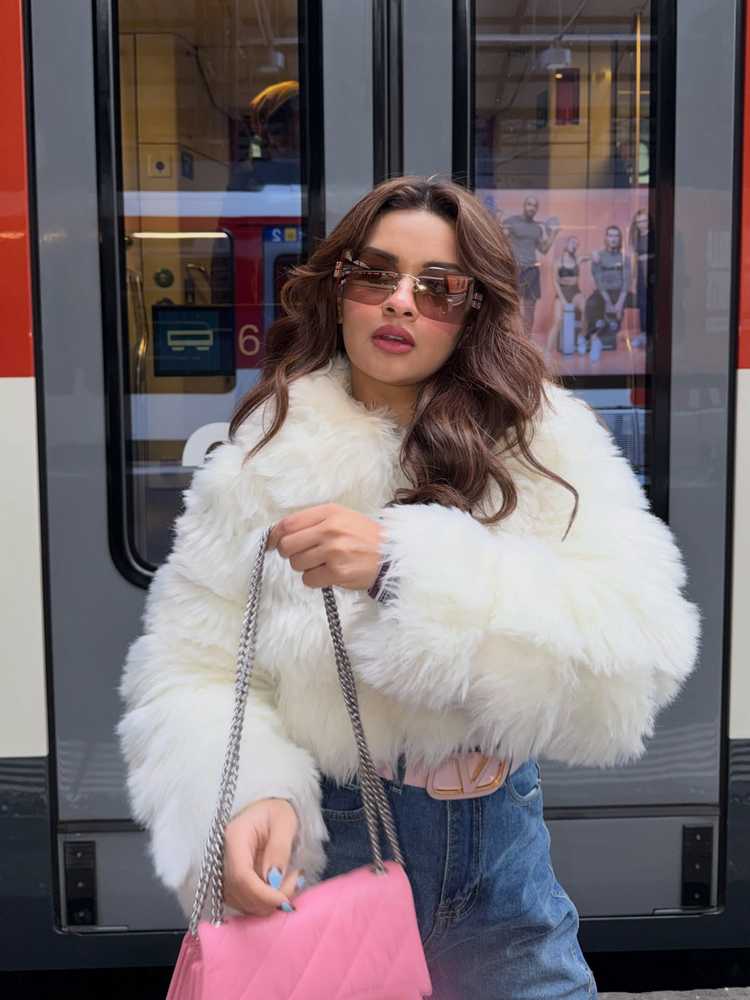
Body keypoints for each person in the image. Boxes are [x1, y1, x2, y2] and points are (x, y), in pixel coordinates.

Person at [118, 176, 700, 998]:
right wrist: (249, 794)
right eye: (374, 274)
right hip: (338, 846)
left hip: (503, 859)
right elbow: (192, 667)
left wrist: (405, 568)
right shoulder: (265, 459)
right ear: (338, 289)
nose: (399, 302)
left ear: (474, 310)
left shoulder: (541, 442)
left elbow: (639, 655)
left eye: (438, 288)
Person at [502, 195, 559, 336]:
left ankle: (526, 340)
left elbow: (543, 249)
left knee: (530, 308)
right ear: (524, 205)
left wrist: (553, 234)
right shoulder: (511, 222)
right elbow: (500, 240)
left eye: (535, 206)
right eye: (529, 204)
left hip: (532, 270)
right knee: (513, 307)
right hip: (516, 269)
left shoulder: (537, 228)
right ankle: (514, 338)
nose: (532, 208)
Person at [584, 224, 632, 350]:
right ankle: (591, 336)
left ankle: (642, 336)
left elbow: (626, 283)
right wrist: (608, 302)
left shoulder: (625, 258)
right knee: (591, 303)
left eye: (616, 236)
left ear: (620, 238)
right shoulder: (598, 256)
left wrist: (619, 304)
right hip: (603, 292)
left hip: (620, 293)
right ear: (606, 238)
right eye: (610, 235)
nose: (613, 239)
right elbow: (599, 282)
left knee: (644, 302)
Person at [545, 234, 589, 356]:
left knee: (586, 309)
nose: (574, 245)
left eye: (576, 244)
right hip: (562, 292)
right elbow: (555, 282)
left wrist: (595, 256)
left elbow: (589, 256)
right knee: (557, 320)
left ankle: (581, 337)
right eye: (572, 242)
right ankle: (547, 351)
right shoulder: (558, 262)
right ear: (566, 244)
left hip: (575, 291)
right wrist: (563, 300)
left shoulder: (578, 260)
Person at [629, 208, 652, 349]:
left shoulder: (654, 236)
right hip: (641, 275)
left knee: (653, 304)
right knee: (642, 304)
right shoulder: (635, 237)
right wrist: (633, 278)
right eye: (639, 222)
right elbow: (634, 259)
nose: (642, 224)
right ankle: (643, 334)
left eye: (644, 221)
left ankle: (652, 334)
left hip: (652, 273)